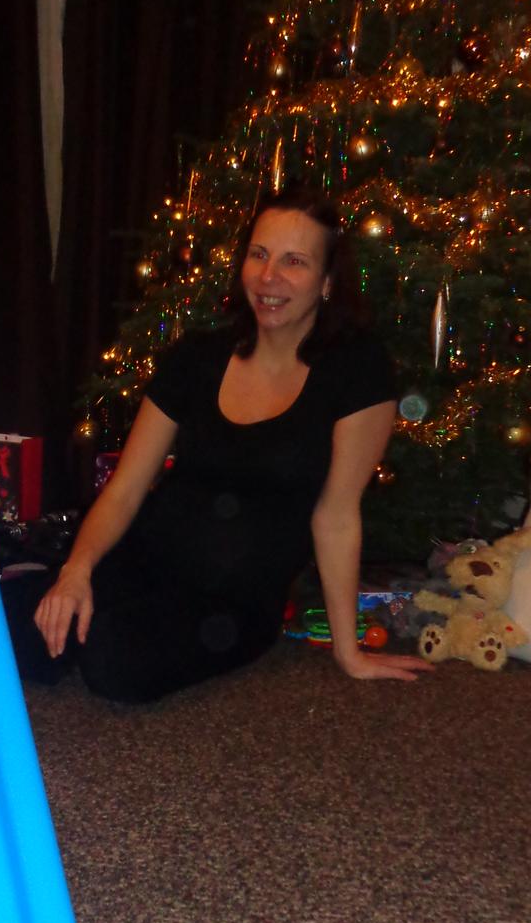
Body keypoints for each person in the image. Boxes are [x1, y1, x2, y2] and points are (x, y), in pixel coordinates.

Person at [24, 186, 432, 700]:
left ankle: (106, 627)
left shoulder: (357, 370)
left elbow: (336, 515)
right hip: (148, 557)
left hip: (232, 606)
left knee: (111, 662)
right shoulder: (196, 357)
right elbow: (126, 489)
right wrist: (76, 572)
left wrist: (348, 652)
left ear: (327, 281)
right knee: (11, 623)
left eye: (295, 262)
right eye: (259, 255)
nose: (268, 276)